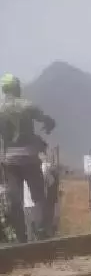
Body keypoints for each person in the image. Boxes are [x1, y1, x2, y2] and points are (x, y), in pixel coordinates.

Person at [0, 74, 56, 242]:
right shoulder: (27, 105)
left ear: (3, 89)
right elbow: (48, 121)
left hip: (9, 157)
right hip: (30, 156)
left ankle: (21, 236)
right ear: (17, 87)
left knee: (15, 199)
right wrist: (47, 127)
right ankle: (40, 231)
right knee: (38, 195)